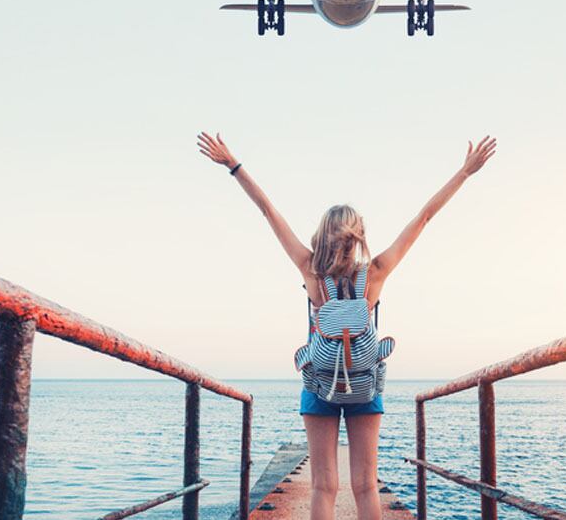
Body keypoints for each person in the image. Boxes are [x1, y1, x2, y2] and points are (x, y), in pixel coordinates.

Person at [197, 131, 497, 520]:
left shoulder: (309, 270)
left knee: (324, 486)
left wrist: (233, 165)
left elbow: (268, 211)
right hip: (364, 384)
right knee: (365, 485)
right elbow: (423, 218)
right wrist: (464, 173)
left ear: (322, 234)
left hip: (319, 383)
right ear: (357, 236)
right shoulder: (374, 273)